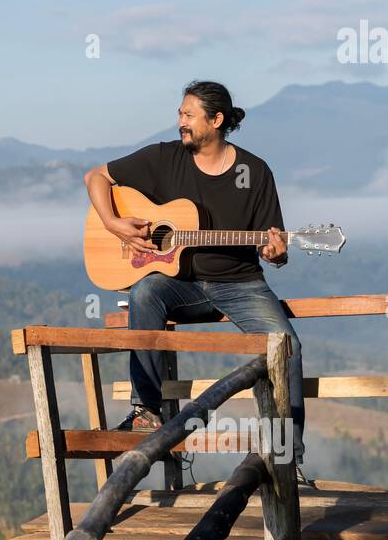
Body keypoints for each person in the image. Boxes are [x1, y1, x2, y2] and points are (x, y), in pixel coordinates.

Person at [83, 80, 310, 483]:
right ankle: (147, 411)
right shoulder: (163, 158)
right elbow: (95, 177)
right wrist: (114, 223)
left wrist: (278, 252)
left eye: (189, 115)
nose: (180, 122)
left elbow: (273, 245)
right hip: (181, 285)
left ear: (216, 120)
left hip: (240, 284)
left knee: (286, 348)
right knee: (146, 290)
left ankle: (286, 454)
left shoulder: (253, 172)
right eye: (180, 113)